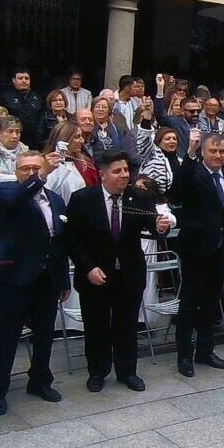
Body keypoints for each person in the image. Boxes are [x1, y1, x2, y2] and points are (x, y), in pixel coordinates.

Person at [66, 149, 165, 392]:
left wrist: (159, 226)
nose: (124, 176)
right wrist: (88, 267)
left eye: (126, 170)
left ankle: (127, 371)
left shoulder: (138, 197)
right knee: (96, 325)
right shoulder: (83, 199)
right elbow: (72, 239)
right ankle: (97, 372)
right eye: (117, 171)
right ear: (102, 175)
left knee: (127, 324)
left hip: (129, 274)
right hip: (95, 275)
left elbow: (151, 225)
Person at [0, 151, 68, 414]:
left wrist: (63, 279)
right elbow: (14, 203)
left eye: (36, 167)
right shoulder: (7, 194)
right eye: (26, 169)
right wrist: (42, 175)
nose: (31, 173)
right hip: (16, 278)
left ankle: (40, 380)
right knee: (7, 337)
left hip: (47, 278)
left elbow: (60, 242)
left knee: (45, 334)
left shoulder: (54, 200)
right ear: (16, 171)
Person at [167, 130, 224, 377]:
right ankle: (184, 355)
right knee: (190, 305)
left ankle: (205, 350)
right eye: (212, 151)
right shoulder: (195, 173)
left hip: (220, 252)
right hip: (196, 250)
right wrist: (188, 153)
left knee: (211, 304)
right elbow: (178, 188)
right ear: (203, 152)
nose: (218, 155)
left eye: (221, 151)